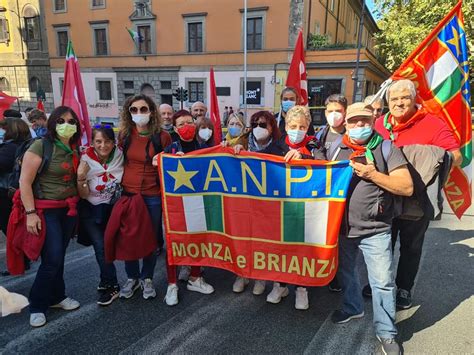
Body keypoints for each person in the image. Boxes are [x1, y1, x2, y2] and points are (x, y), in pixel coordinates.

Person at [313, 102, 413, 354]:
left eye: (364, 122)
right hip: (343, 229)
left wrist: (373, 175)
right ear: (345, 123)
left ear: (373, 122)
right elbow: (314, 172)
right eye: (354, 121)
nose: (359, 126)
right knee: (346, 273)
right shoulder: (337, 148)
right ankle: (352, 307)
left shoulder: (387, 147)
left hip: (376, 229)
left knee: (382, 283)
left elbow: (406, 187)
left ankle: (387, 333)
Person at [371, 79, 461, 309]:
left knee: (411, 246)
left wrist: (427, 169)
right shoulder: (380, 124)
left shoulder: (433, 124)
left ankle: (404, 288)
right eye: (394, 99)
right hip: (386, 197)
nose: (399, 103)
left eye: (405, 98)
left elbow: (455, 155)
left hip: (417, 200)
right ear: (387, 101)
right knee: (383, 245)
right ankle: (383, 284)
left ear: (414, 100)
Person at [235, 106, 317, 309]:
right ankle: (280, 285)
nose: (297, 129)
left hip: (305, 208)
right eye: (292, 125)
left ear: (307, 128)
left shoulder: (314, 144)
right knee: (281, 247)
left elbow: (324, 161)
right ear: (286, 126)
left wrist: (304, 158)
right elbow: (257, 163)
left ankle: (301, 289)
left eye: (302, 126)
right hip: (279, 207)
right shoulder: (277, 146)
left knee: (301, 248)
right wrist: (237, 152)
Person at [19, 106, 82, 327]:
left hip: (68, 210)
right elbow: (24, 181)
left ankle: (57, 296)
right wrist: (31, 213)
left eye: (72, 121)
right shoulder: (40, 145)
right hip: (47, 210)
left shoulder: (74, 148)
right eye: (62, 120)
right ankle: (37, 304)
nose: (67, 125)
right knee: (52, 258)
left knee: (59, 256)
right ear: (53, 123)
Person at [117, 94, 172, 300]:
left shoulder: (162, 136)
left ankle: (147, 278)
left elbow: (172, 163)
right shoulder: (125, 135)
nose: (139, 113)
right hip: (129, 194)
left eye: (143, 109)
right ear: (128, 113)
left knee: (150, 239)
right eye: (134, 110)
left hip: (152, 195)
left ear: (151, 111)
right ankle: (132, 277)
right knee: (129, 238)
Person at [161, 110, 215, 306]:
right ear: (175, 129)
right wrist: (161, 160)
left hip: (198, 201)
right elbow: (158, 163)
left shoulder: (204, 147)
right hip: (174, 204)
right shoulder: (170, 149)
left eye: (190, 122)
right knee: (173, 241)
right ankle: (172, 284)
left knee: (198, 237)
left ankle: (194, 277)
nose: (187, 127)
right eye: (181, 124)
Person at [231, 110, 281, 297]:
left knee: (262, 241)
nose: (259, 128)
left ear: (271, 127)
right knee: (243, 238)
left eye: (263, 125)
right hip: (243, 202)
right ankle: (242, 275)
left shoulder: (278, 147)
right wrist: (232, 150)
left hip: (267, 204)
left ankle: (260, 278)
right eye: (255, 124)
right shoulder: (242, 144)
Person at [77, 124, 124, 306]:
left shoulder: (120, 156)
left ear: (113, 142)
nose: (103, 145)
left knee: (111, 245)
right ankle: (112, 285)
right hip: (91, 209)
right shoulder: (85, 159)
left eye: (107, 141)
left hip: (112, 209)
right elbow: (82, 194)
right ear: (92, 142)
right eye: (98, 141)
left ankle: (106, 279)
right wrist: (81, 177)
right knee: (100, 247)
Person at [0, 119, 32, 236]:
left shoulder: (9, 148)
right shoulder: (27, 145)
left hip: (6, 193)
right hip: (17, 192)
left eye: (3, 129)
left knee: (11, 229)